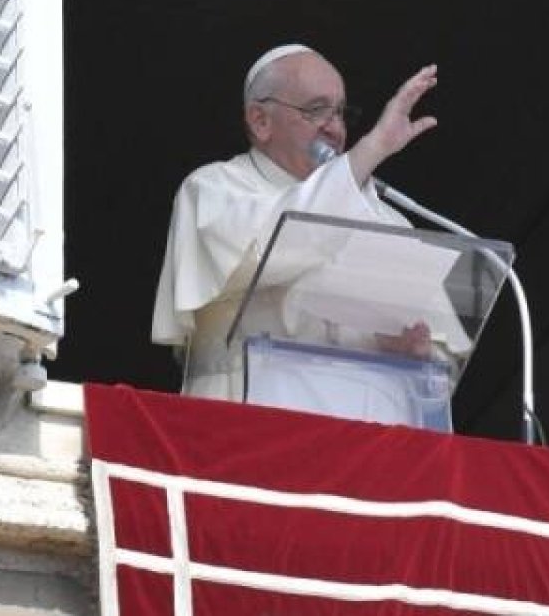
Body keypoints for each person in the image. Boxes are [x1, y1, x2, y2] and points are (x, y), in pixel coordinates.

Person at [151, 44, 441, 406]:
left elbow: (444, 347)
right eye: (316, 110)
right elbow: (271, 247)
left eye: (340, 113)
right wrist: (372, 149)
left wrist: (416, 354)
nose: (334, 128)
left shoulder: (384, 217)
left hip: (369, 435)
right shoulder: (213, 189)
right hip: (256, 423)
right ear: (260, 121)